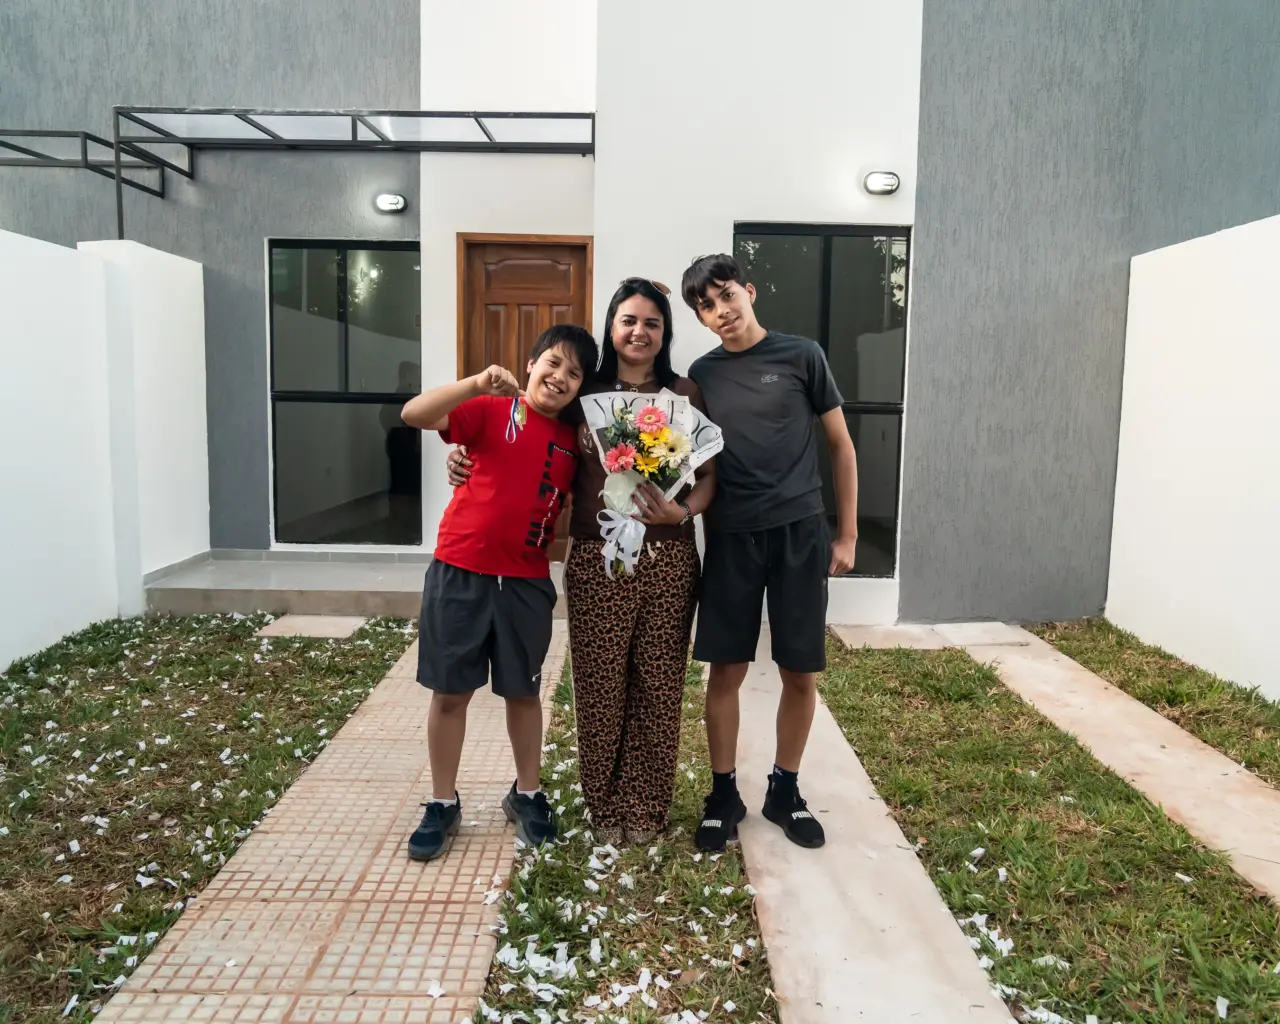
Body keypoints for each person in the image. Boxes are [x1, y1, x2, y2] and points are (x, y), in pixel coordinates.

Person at [447, 278, 716, 846]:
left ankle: (646, 806)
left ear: (665, 333)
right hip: (598, 559)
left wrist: (683, 511)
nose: (639, 332)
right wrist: (468, 458)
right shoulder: (582, 394)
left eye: (652, 323)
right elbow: (532, 433)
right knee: (599, 686)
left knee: (659, 685)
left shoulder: (684, 392)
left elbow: (709, 476)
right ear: (612, 328)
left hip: (669, 558)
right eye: (628, 320)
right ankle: (605, 804)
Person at [680, 254, 859, 852]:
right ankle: (723, 794)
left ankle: (785, 790)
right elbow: (692, 458)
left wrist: (847, 534)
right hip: (731, 536)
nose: (721, 311)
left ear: (749, 291)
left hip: (799, 533)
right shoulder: (702, 374)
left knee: (799, 670)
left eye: (726, 295)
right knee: (725, 670)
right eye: (707, 306)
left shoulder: (802, 355)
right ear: (701, 319)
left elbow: (841, 446)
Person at [400, 324, 596, 861]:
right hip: (459, 570)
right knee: (450, 693)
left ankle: (526, 794)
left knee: (523, 693)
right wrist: (476, 383)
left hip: (526, 583)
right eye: (553, 363)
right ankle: (443, 802)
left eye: (574, 373)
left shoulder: (575, 442)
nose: (560, 377)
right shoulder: (491, 409)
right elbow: (414, 414)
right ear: (531, 363)